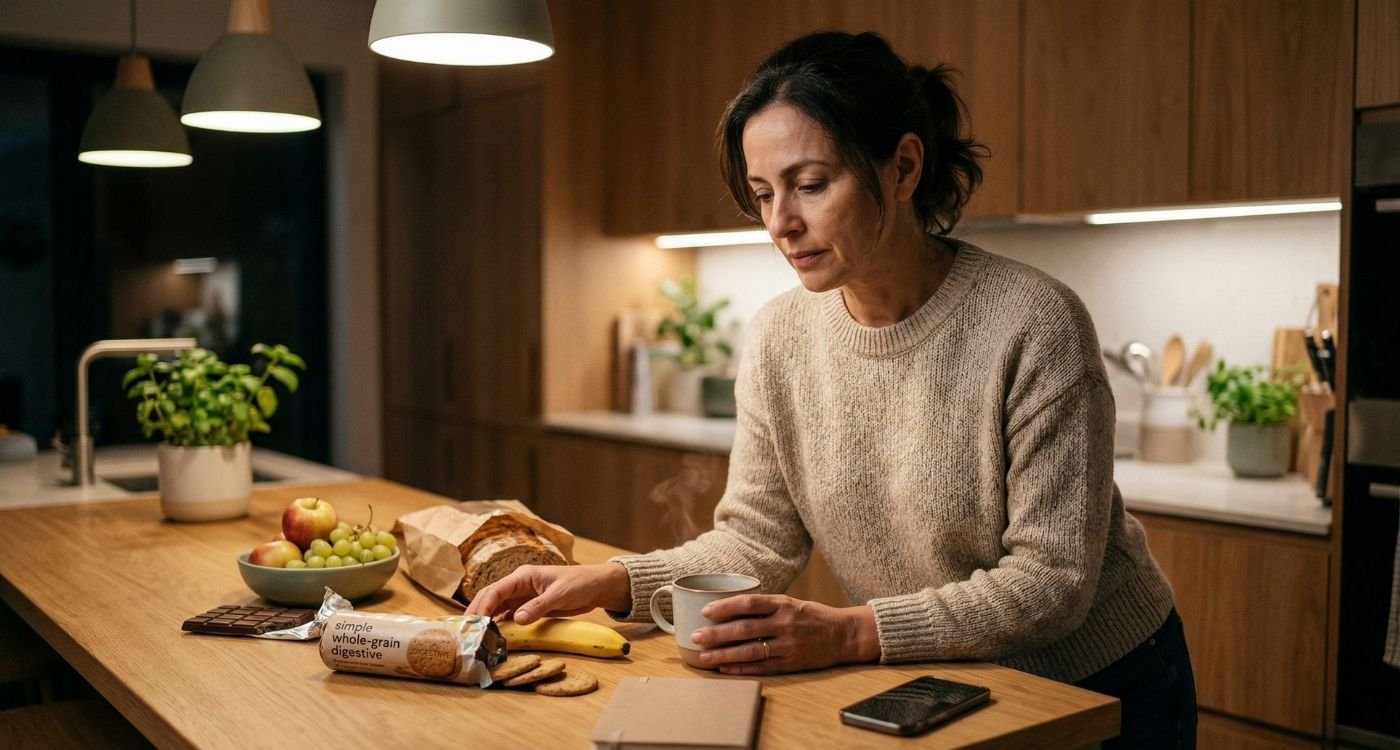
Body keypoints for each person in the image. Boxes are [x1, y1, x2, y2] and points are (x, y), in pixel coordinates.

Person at [468, 30, 1197, 747]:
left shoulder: (1034, 322)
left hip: (1102, 682)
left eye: (810, 185)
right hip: (941, 685)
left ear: (903, 166)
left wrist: (854, 630)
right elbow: (758, 538)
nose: (781, 223)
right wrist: (612, 582)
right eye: (762, 194)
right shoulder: (779, 335)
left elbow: (1052, 581)